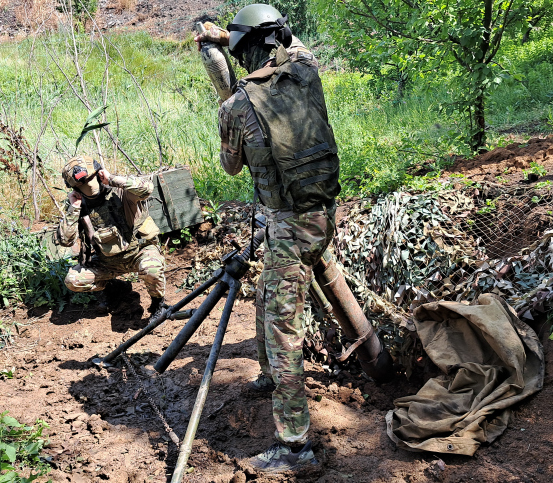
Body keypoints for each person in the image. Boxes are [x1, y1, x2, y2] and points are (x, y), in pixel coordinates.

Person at [195, 4, 340, 473]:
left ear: (239, 54)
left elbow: (231, 166)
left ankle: (296, 448)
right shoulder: (304, 68)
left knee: (283, 331)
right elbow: (288, 43)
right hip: (323, 213)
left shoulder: (236, 106)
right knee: (266, 297)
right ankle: (266, 376)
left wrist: (221, 75)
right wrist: (232, 38)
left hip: (288, 225)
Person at [54, 155, 166, 318]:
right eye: (81, 184)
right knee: (73, 280)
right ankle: (114, 287)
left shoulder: (120, 190)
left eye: (91, 178)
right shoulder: (79, 206)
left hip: (139, 252)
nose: (88, 185)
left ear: (99, 174)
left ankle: (158, 304)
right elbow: (65, 240)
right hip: (108, 263)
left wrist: (113, 179)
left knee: (151, 269)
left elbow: (147, 188)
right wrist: (74, 209)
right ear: (75, 188)